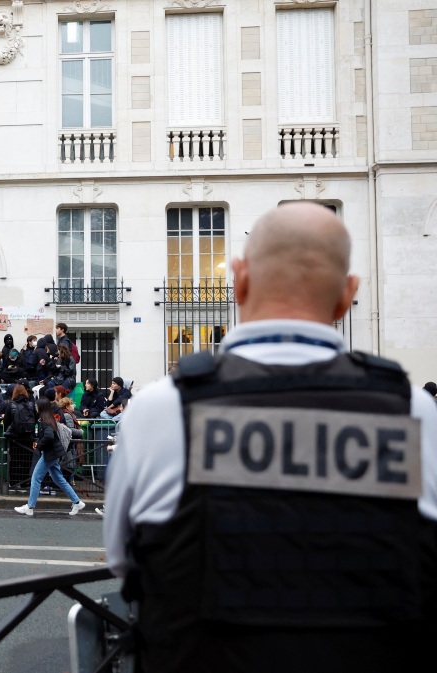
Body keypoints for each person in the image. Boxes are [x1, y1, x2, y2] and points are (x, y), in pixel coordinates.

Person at [104, 203, 437, 672]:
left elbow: (121, 558)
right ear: (347, 295)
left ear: (239, 280)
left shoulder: (160, 409)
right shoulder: (413, 412)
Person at [13, 398, 85, 517]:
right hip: (53, 453)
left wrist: (39, 445)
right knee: (58, 479)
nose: (35, 407)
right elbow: (49, 436)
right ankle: (77, 502)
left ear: (40, 407)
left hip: (49, 454)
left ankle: (30, 507)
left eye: (37, 406)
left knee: (36, 478)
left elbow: (49, 436)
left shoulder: (44, 421)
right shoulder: (48, 419)